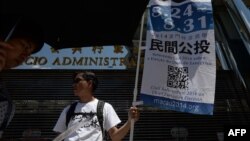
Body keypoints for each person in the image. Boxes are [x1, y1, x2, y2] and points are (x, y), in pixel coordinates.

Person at [53, 71, 140, 141]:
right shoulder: (68, 109)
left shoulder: (105, 107)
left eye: (78, 81)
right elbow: (59, 137)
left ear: (90, 83)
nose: (73, 85)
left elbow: (115, 137)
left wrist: (129, 122)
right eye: (73, 82)